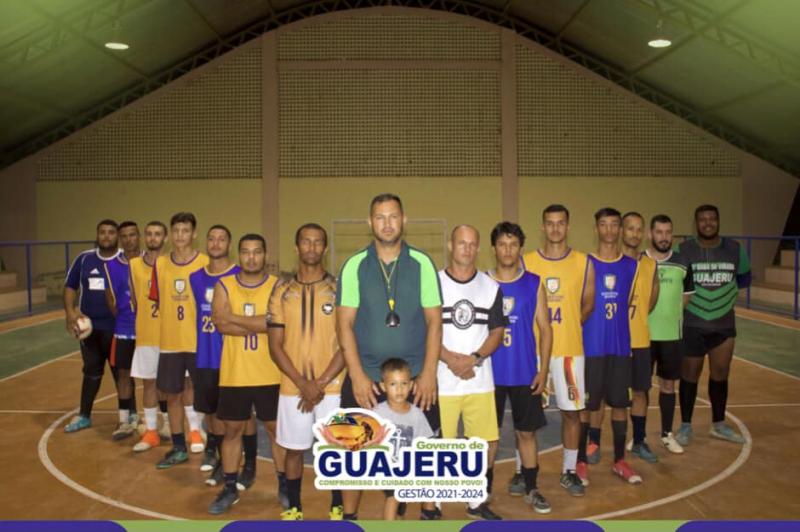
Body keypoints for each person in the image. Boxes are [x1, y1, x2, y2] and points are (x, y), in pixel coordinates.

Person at [336, 193, 443, 520]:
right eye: (380, 217)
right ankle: (350, 520)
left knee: (424, 455)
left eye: (393, 216)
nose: (387, 223)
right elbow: (344, 324)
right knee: (354, 456)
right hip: (366, 377)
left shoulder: (422, 263)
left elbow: (434, 321)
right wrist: (356, 375)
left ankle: (427, 515)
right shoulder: (355, 265)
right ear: (370, 223)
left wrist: (427, 374)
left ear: (404, 220)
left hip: (414, 383)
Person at [268, 223, 346, 521]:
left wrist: (320, 383)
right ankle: (294, 507)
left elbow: (348, 343)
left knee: (336, 450)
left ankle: (337, 505)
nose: (311, 248)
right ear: (296, 247)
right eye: (306, 242)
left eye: (317, 243)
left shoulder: (339, 289)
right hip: (293, 388)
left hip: (333, 387)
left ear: (325, 248)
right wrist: (303, 384)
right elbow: (275, 346)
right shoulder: (281, 291)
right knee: (293, 450)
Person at [207, 233, 283, 515]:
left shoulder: (277, 286)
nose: (252, 257)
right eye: (246, 252)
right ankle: (229, 487)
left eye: (257, 252)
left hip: (271, 372)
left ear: (265, 256)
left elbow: (276, 324)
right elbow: (219, 323)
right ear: (240, 255)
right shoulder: (224, 285)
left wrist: (236, 318)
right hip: (235, 374)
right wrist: (261, 322)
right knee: (232, 431)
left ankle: (284, 484)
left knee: (277, 432)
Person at [523, 204, 593, 494]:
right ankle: (521, 472)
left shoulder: (583, 262)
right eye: (549, 223)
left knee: (572, 414)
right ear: (542, 226)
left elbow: (588, 303)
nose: (555, 228)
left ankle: (568, 470)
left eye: (560, 223)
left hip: (569, 352)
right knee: (527, 418)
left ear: (568, 226)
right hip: (534, 354)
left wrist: (570, 326)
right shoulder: (526, 262)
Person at [438, 225, 505, 520]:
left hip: (479, 379)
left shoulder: (490, 287)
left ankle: (476, 501)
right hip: (441, 380)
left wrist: (474, 359)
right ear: (451, 245)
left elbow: (497, 332)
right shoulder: (433, 283)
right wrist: (451, 360)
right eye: (461, 243)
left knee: (482, 444)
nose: (466, 248)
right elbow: (425, 330)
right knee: (440, 446)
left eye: (472, 244)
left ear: (478, 248)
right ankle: (434, 504)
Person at [488, 222, 553, 514]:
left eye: (513, 244)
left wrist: (544, 370)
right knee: (489, 437)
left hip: (525, 372)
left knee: (526, 433)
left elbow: (546, 329)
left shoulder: (534, 282)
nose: (507, 250)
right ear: (494, 249)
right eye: (502, 244)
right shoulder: (482, 283)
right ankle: (482, 492)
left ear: (520, 248)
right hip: (489, 375)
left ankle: (532, 488)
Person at [677, 205, 751, 445]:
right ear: (696, 223)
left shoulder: (735, 249)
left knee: (721, 373)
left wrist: (721, 298)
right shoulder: (684, 249)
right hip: (693, 322)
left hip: (723, 323)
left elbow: (744, 278)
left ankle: (718, 424)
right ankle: (686, 426)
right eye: (702, 219)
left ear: (718, 221)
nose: (707, 223)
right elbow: (678, 282)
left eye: (712, 219)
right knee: (689, 375)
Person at [582, 208, 641, 484]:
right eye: (603, 224)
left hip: (619, 347)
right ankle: (580, 462)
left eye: (614, 225)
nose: (608, 230)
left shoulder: (631, 266)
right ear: (596, 229)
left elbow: (628, 303)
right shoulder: (585, 264)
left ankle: (619, 460)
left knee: (620, 405)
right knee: (587, 406)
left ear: (620, 229)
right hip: (591, 347)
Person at [149, 212, 209, 468]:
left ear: (194, 234)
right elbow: (158, 299)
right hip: (170, 342)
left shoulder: (205, 263)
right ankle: (177, 446)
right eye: (176, 231)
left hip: (198, 342)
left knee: (201, 393)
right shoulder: (161, 264)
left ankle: (200, 434)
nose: (180, 236)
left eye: (185, 231)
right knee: (172, 395)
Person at [189, 225, 239, 479]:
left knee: (232, 414)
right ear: (206, 243)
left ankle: (233, 460)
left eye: (222, 239)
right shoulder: (195, 278)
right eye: (212, 239)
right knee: (209, 410)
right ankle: (216, 451)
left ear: (229, 245)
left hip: (232, 357)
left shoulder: (239, 275)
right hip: (205, 354)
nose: (216, 243)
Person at [63, 219, 123, 433]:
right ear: (97, 235)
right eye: (102, 232)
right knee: (91, 372)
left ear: (117, 236)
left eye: (111, 232)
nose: (107, 236)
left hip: (118, 329)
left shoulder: (125, 260)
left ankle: (129, 416)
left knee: (122, 374)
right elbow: (70, 287)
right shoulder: (84, 259)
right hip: (89, 330)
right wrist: (70, 312)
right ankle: (84, 416)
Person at [646, 214, 695, 453]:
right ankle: (639, 437)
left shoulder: (683, 263)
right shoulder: (638, 261)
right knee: (640, 389)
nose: (664, 237)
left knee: (668, 386)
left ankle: (666, 433)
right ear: (650, 234)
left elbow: (686, 298)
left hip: (671, 337)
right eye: (659, 232)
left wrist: (668, 317)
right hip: (642, 337)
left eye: (668, 232)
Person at [374, 358, 436, 521]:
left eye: (404, 384)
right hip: (386, 468)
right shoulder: (377, 413)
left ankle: (428, 517)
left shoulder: (416, 414)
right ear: (383, 387)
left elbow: (425, 444)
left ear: (411, 385)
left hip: (409, 466)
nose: (399, 389)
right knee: (394, 495)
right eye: (393, 384)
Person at [621, 212, 660, 463]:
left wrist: (637, 320)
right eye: (630, 228)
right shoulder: (610, 263)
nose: (634, 234)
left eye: (638, 229)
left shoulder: (651, 265)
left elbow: (651, 300)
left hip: (640, 340)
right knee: (604, 396)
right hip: (614, 342)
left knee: (640, 392)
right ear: (622, 231)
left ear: (644, 233)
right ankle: (593, 442)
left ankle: (639, 439)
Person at [129, 221, 171, 451]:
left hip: (171, 336)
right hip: (146, 334)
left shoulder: (171, 264)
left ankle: (190, 430)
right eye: (149, 234)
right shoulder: (134, 265)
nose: (153, 238)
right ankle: (151, 432)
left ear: (165, 239)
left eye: (157, 234)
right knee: (149, 385)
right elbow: (135, 302)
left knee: (180, 386)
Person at [103, 221, 141, 440]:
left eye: (133, 235)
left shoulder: (152, 262)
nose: (128, 239)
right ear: (120, 238)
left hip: (149, 331)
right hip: (124, 329)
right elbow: (111, 303)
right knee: (123, 376)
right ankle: (124, 420)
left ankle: (159, 423)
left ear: (139, 237)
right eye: (124, 236)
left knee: (154, 378)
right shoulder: (110, 267)